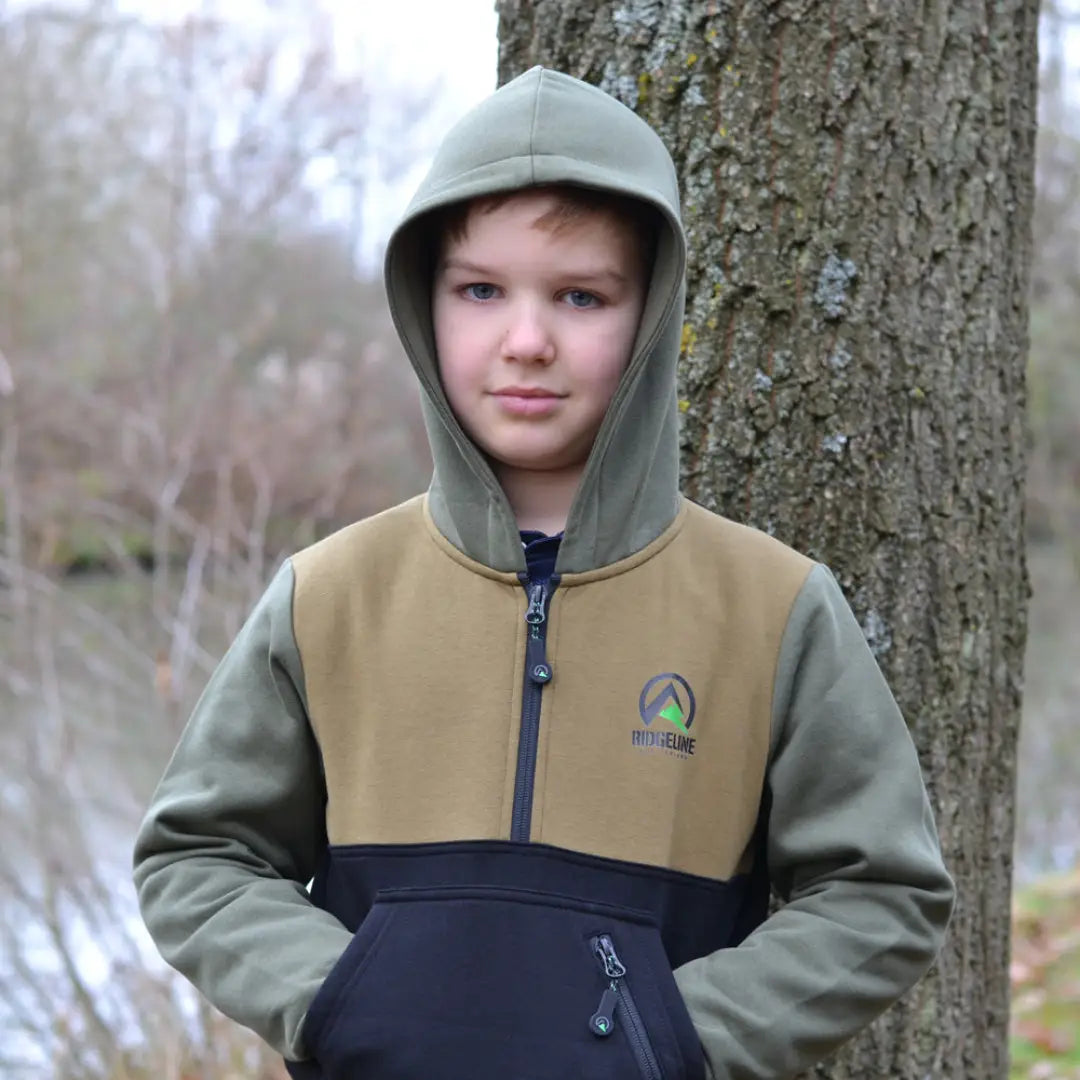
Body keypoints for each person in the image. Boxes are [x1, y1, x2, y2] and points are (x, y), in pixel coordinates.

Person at [134, 66, 955, 1080]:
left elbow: (884, 892)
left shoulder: (773, 608)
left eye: (580, 296)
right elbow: (197, 857)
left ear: (649, 314)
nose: (527, 341)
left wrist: (679, 1032)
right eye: (481, 290)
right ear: (425, 303)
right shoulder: (329, 596)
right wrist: (341, 1000)